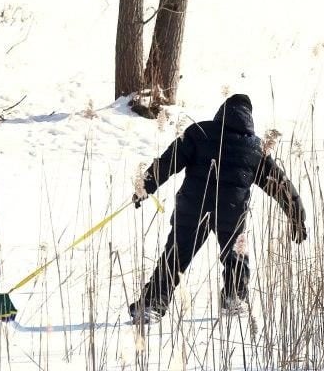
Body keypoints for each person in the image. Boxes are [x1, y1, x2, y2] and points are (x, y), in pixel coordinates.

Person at [128, 94, 306, 324]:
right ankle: (233, 298)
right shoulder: (255, 148)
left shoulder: (199, 132)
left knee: (176, 257)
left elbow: (168, 162)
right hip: (231, 213)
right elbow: (280, 184)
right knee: (236, 256)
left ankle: (151, 305)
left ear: (222, 112)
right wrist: (296, 215)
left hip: (193, 207)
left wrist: (145, 186)